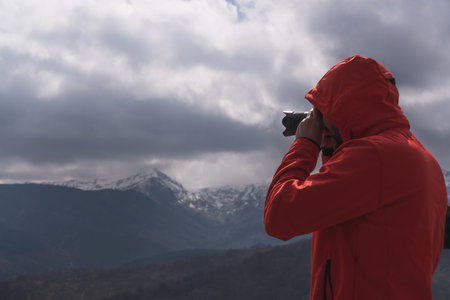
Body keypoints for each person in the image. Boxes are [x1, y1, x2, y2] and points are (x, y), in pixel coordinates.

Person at [264, 55, 448, 299]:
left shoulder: (375, 156)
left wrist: (305, 144)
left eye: (323, 111)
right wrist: (332, 144)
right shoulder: (417, 155)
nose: (318, 120)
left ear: (345, 109)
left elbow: (279, 216)